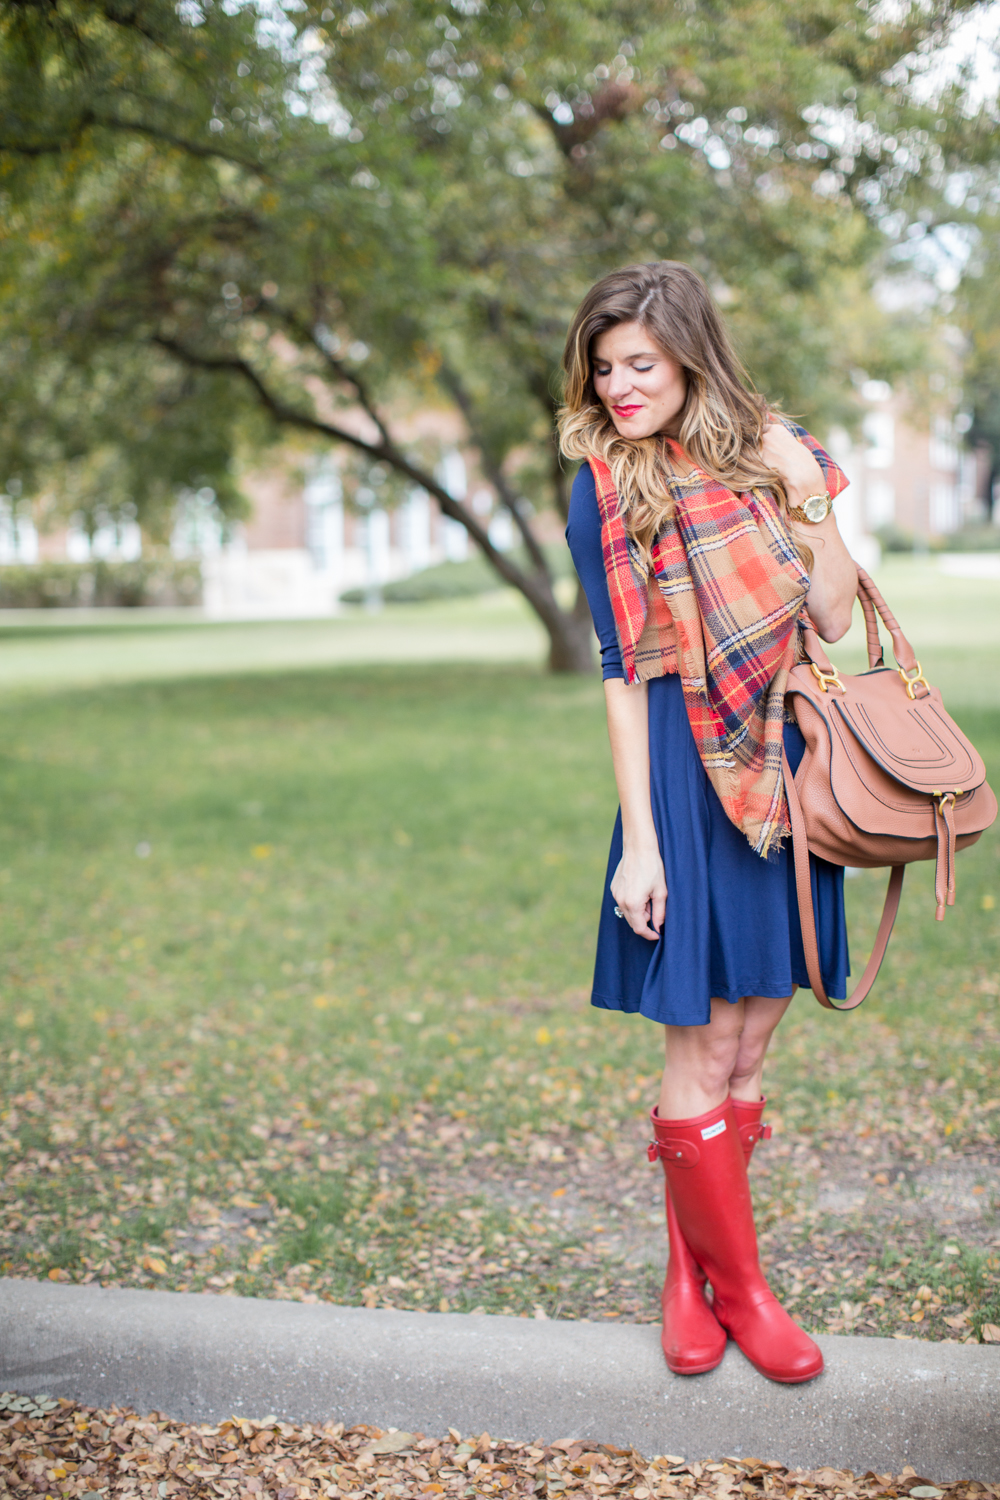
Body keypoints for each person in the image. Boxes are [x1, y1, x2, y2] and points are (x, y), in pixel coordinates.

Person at [558, 262, 859, 1385]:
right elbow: (621, 666)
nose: (619, 385)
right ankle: (744, 1292)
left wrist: (804, 488)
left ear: (691, 354)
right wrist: (638, 839)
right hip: (685, 777)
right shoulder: (608, 479)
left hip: (785, 770)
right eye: (603, 366)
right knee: (701, 1036)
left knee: (751, 1034)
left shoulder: (781, 452)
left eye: (639, 362)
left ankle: (690, 1275)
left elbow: (831, 611)